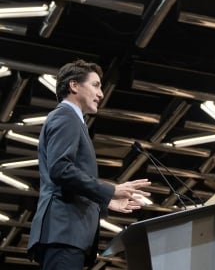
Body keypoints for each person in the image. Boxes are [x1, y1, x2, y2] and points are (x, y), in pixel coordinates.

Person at [27, 60, 151, 270]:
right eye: (95, 85)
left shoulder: (73, 120)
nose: (101, 93)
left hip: (68, 234)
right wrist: (111, 190)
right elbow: (61, 170)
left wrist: (105, 203)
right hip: (65, 232)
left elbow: (68, 178)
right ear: (74, 86)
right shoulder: (66, 116)